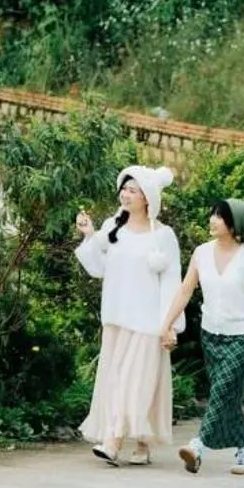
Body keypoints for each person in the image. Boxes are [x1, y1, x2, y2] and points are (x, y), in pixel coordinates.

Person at [158, 197, 244, 476]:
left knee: (221, 391)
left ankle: (197, 446)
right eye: (212, 214)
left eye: (220, 216)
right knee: (229, 396)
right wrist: (166, 324)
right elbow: (185, 291)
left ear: (235, 225)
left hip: (241, 336)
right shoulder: (201, 253)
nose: (212, 220)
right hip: (211, 335)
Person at [75, 165, 182, 466]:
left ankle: (113, 442)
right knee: (117, 380)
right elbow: (99, 267)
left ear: (148, 197)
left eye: (133, 190)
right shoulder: (113, 227)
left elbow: (171, 281)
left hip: (148, 322)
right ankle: (140, 442)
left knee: (136, 382)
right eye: (124, 188)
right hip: (117, 317)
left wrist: (170, 325)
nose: (126, 194)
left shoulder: (163, 236)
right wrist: (89, 235)